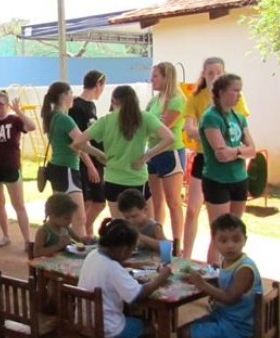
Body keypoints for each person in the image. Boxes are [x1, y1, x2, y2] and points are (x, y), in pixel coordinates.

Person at [78, 218, 171, 338]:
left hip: (82, 321)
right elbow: (137, 296)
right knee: (150, 329)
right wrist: (160, 278)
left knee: (135, 318)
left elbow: (116, 266)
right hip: (105, 327)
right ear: (122, 249)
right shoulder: (113, 269)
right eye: (132, 249)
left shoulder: (93, 255)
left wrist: (137, 263)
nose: (132, 252)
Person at [176, 214, 262, 338]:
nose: (230, 245)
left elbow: (230, 298)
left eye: (236, 239)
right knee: (183, 330)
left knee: (185, 334)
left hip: (239, 328)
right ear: (214, 242)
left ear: (245, 240)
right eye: (223, 240)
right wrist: (201, 280)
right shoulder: (229, 261)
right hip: (226, 318)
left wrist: (201, 284)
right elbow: (224, 284)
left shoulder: (244, 268)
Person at [182, 57, 250, 260]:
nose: (214, 76)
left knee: (228, 221)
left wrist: (233, 148)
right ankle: (187, 256)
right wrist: (209, 133)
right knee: (193, 209)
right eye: (210, 73)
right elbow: (189, 129)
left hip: (233, 165)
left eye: (218, 72)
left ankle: (220, 261)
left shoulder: (235, 99)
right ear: (203, 74)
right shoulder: (196, 97)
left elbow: (242, 134)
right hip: (204, 158)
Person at [71, 85, 174, 219]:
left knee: (120, 228)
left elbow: (77, 143)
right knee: (150, 225)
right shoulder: (145, 118)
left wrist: (98, 153)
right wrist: (147, 156)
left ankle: (128, 240)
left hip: (113, 180)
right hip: (137, 180)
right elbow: (170, 138)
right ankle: (165, 241)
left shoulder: (106, 121)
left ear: (114, 102)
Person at [199, 74, 257, 265]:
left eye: (240, 90)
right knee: (220, 232)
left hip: (239, 178)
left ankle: (231, 271)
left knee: (235, 231)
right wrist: (240, 151)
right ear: (221, 92)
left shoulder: (238, 117)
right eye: (235, 90)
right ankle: (213, 273)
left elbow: (252, 149)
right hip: (217, 180)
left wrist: (237, 151)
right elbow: (221, 153)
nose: (239, 95)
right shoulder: (211, 117)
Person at [41, 81, 108, 238]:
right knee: (79, 218)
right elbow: (81, 143)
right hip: (68, 170)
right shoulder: (65, 120)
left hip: (57, 168)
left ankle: (61, 245)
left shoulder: (52, 118)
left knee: (60, 213)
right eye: (71, 93)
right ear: (64, 95)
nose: (74, 96)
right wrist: (99, 154)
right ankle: (81, 252)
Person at [0, 90, 36, 248]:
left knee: (18, 204)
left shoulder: (14, 120)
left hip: (11, 166)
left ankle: (28, 240)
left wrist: (19, 111)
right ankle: (5, 235)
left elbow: (32, 126)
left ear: (7, 105)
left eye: (0, 104)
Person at [146, 62, 186, 249]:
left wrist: (152, 125)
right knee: (156, 200)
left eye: (155, 76)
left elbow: (163, 128)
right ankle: (158, 237)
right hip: (153, 153)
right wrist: (152, 124)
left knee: (173, 201)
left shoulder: (176, 99)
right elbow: (146, 125)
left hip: (170, 152)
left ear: (166, 77)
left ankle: (177, 242)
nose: (151, 80)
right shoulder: (153, 101)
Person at [69, 71, 107, 240]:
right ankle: (80, 234)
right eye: (102, 86)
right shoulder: (77, 107)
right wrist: (90, 165)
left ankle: (85, 230)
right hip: (85, 162)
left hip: (96, 161)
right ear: (98, 85)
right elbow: (78, 139)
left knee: (99, 202)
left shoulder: (91, 106)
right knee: (87, 202)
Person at [32, 193, 84, 258]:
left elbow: (78, 240)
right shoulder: (44, 231)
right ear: (53, 216)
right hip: (48, 265)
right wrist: (58, 246)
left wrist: (85, 240)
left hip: (65, 263)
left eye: (71, 217)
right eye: (66, 218)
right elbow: (37, 253)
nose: (70, 221)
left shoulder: (66, 228)